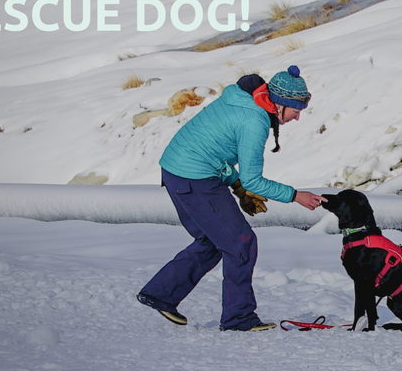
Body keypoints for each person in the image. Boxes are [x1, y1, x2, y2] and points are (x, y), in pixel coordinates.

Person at [137, 65, 325, 331]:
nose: (296, 118)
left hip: (176, 171)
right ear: (281, 104)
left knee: (214, 241)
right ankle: (239, 319)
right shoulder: (255, 121)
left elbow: (214, 149)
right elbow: (254, 181)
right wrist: (295, 196)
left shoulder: (241, 100)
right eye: (296, 111)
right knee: (241, 243)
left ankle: (160, 294)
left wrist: (237, 188)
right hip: (194, 177)